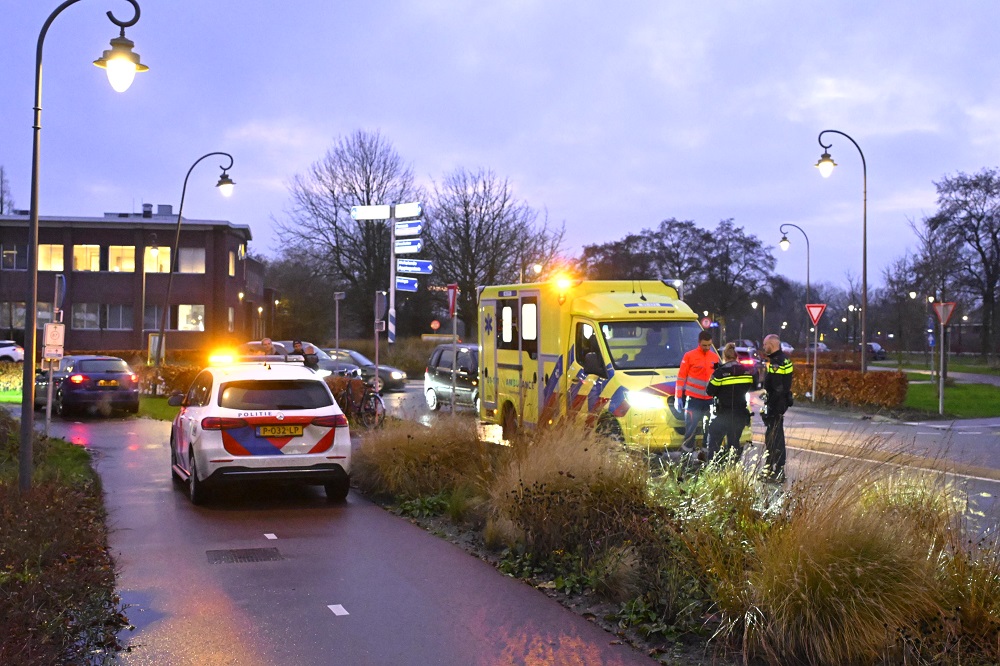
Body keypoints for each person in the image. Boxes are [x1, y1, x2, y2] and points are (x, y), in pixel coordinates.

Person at [705, 342, 754, 465]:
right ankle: (732, 469)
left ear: (724, 357)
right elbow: (749, 387)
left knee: (714, 442)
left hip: (723, 414)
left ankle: (713, 468)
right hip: (740, 414)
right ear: (736, 356)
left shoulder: (719, 373)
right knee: (734, 443)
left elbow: (709, 391)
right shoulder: (746, 372)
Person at [675, 330, 720, 456]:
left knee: (709, 430)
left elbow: (717, 377)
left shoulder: (714, 357)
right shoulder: (689, 356)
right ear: (699, 343)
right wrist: (678, 397)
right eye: (704, 345)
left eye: (709, 345)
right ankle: (686, 458)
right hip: (693, 400)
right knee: (691, 430)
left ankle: (705, 456)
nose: (706, 348)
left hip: (709, 400)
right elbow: (681, 377)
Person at [760, 333, 794, 482]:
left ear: (772, 345)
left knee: (775, 437)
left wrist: (770, 406)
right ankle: (771, 468)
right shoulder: (785, 359)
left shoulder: (776, 362)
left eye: (765, 344)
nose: (763, 347)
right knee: (773, 435)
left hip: (776, 404)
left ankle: (777, 469)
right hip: (781, 403)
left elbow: (777, 387)